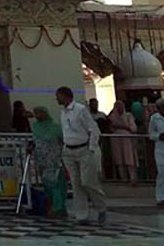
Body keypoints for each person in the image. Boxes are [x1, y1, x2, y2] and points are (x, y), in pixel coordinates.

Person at [57, 86, 108, 225]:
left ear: (65, 96)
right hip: (69, 151)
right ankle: (81, 214)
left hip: (83, 149)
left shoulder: (80, 110)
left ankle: (101, 206)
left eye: (58, 96)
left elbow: (93, 129)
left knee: (88, 181)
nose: (57, 99)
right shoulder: (63, 113)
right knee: (76, 183)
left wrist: (91, 148)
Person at [29, 106, 67, 218]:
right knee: (47, 185)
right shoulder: (35, 127)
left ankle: (58, 208)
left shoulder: (55, 127)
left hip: (55, 160)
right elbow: (35, 141)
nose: (38, 115)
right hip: (42, 160)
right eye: (36, 113)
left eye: (40, 112)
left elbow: (63, 140)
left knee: (57, 184)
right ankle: (52, 206)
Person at [107, 101, 138, 184]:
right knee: (119, 160)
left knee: (129, 158)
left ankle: (133, 179)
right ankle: (123, 179)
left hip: (127, 139)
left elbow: (134, 128)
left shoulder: (128, 116)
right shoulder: (112, 117)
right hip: (116, 139)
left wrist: (124, 126)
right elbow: (110, 128)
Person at [149, 97, 164, 206]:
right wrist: (159, 136)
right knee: (162, 172)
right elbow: (151, 134)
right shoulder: (155, 118)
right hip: (161, 149)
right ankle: (161, 197)